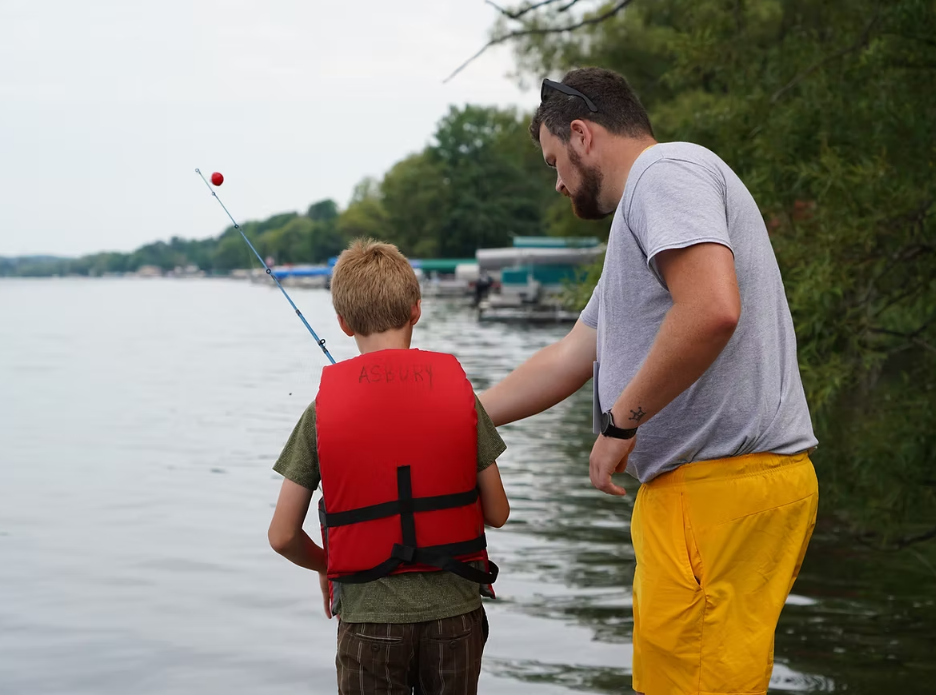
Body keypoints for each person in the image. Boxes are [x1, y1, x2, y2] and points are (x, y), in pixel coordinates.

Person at [479, 67, 819, 695]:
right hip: (718, 490)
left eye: (554, 161)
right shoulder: (647, 213)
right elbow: (571, 355)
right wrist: (457, 413)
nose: (556, 183)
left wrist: (621, 421)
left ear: (582, 134)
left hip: (715, 489)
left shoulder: (665, 175)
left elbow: (712, 308)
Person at [268, 239, 510, 695]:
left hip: (369, 624)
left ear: (342, 323)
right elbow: (497, 512)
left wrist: (329, 564)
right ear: (416, 310)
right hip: (454, 618)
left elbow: (282, 535)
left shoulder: (321, 413)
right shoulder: (460, 397)